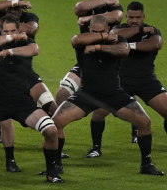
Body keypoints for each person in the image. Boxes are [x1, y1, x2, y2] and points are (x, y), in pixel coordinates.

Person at [52, 14, 163, 176]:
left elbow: (124, 51)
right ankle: (56, 164)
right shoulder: (83, 40)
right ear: (89, 30)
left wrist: (98, 47)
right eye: (95, 31)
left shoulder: (117, 40)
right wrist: (102, 37)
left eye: (102, 31)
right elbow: (75, 40)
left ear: (109, 29)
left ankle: (146, 164)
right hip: (87, 94)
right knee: (56, 123)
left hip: (114, 94)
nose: (98, 35)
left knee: (145, 122)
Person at [0, 15, 62, 183]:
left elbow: (34, 50)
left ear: (19, 30)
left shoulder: (27, 42)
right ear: (1, 31)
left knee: (51, 131)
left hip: (23, 103)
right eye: (6, 31)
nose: (9, 34)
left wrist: (9, 51)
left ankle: (52, 172)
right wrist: (10, 39)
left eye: (13, 31)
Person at [85, 1, 167, 156]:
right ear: (127, 17)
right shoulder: (120, 28)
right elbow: (115, 35)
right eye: (131, 17)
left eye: (138, 17)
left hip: (146, 81)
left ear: (143, 16)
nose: (134, 20)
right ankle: (96, 148)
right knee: (99, 112)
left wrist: (129, 46)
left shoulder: (153, 31)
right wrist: (140, 30)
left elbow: (156, 44)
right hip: (119, 82)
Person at [0, 0, 58, 159]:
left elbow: (32, 29)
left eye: (18, 8)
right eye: (12, 7)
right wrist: (15, 3)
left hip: (25, 73)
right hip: (1, 72)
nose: (15, 10)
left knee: (51, 106)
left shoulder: (28, 16)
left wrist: (10, 29)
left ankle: (54, 146)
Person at [55, 0, 123, 118]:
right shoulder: (87, 7)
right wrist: (106, 0)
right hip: (86, 61)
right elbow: (78, 8)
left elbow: (115, 17)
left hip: (109, 62)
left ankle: (136, 129)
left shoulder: (115, 9)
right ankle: (55, 130)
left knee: (127, 91)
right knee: (62, 93)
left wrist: (87, 19)